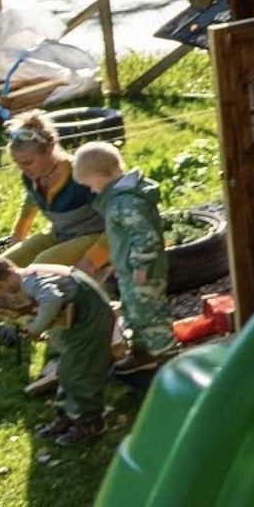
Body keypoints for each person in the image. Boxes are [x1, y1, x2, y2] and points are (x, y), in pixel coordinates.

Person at [0, 254, 117, 446]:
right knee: (67, 370)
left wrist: (36, 327)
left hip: (90, 319)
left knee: (80, 372)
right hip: (79, 318)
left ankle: (90, 422)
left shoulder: (29, 282)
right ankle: (67, 415)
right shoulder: (28, 276)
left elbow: (52, 298)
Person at [71, 141, 176, 374]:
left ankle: (168, 360)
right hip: (130, 270)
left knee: (150, 315)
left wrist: (140, 266)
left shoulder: (125, 202)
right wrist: (122, 265)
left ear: (101, 175)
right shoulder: (117, 199)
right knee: (133, 312)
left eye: (89, 185)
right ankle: (143, 353)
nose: (91, 190)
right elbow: (124, 238)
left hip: (143, 273)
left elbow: (145, 236)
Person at [2, 112, 107, 276]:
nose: (23, 169)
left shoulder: (80, 174)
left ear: (50, 149)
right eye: (17, 163)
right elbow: (30, 204)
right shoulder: (30, 177)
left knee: (39, 269)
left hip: (97, 235)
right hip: (61, 233)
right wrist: (17, 238)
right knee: (2, 268)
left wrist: (91, 261)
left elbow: (119, 222)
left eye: (28, 162)